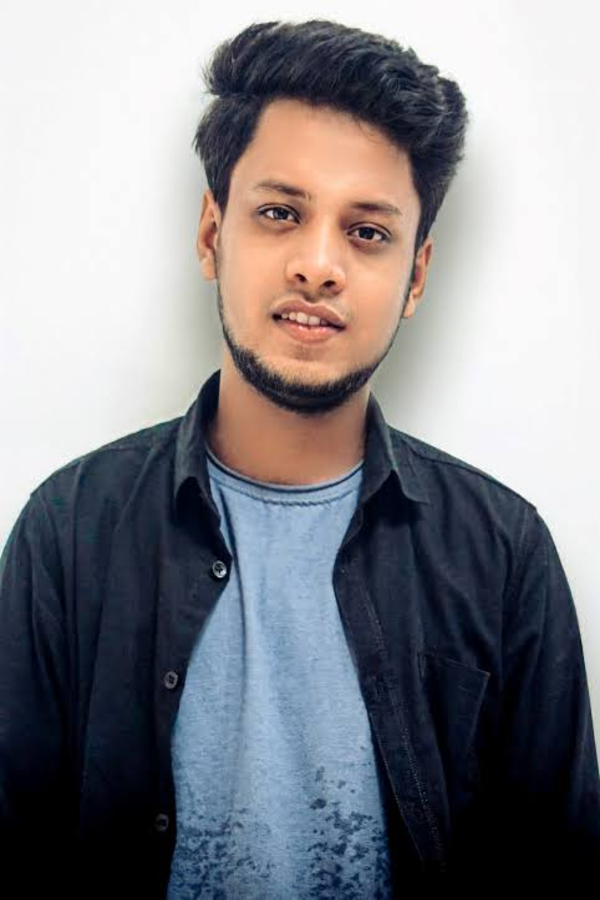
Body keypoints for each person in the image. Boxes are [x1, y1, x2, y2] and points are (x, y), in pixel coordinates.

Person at [1, 17, 599, 899]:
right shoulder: (68, 532)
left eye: (368, 232)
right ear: (212, 234)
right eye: (280, 214)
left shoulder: (504, 554)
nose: (319, 266)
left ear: (417, 275)